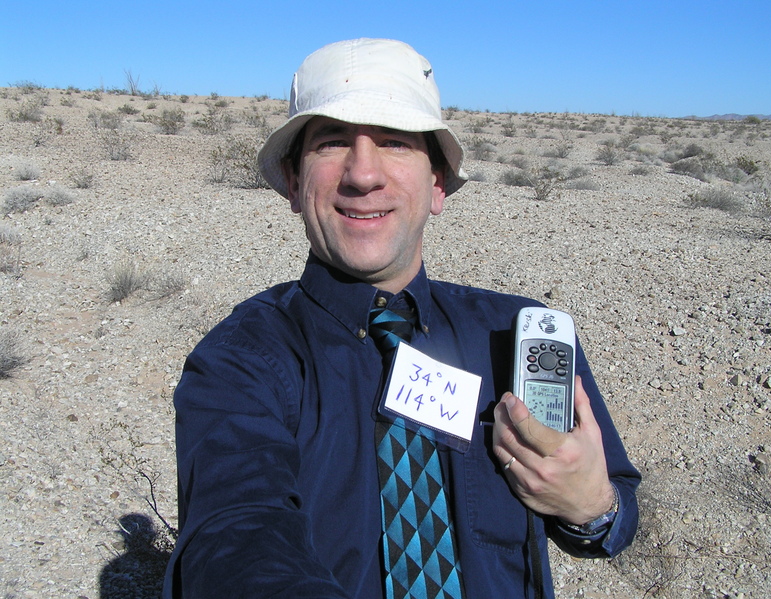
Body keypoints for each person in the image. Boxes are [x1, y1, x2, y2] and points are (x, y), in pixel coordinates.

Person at [162, 38, 639, 599]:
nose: (363, 174)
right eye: (333, 141)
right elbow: (233, 535)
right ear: (293, 183)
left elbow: (613, 518)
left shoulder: (517, 335)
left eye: (394, 142)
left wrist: (591, 506)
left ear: (437, 184)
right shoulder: (241, 359)